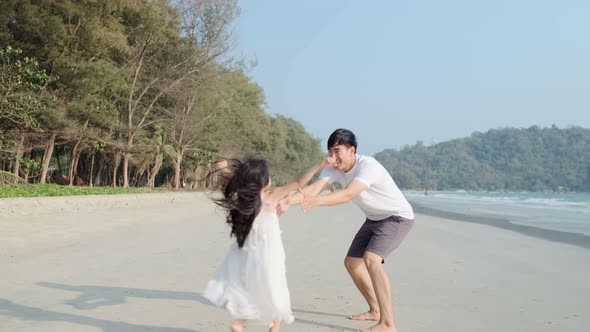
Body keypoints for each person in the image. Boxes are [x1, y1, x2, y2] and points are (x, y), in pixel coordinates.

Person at [282, 128, 414, 332]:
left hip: (396, 217)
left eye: (337, 151)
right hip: (374, 218)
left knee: (372, 259)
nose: (332, 157)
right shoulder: (332, 168)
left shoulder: (368, 166)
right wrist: (285, 201)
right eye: (330, 151)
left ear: (352, 150)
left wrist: (317, 202)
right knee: (352, 263)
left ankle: (388, 324)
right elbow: (313, 190)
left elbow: (347, 195)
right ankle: (375, 310)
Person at [203, 157, 330, 332]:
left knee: (249, 286)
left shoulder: (245, 198)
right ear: (263, 182)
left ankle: (239, 323)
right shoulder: (272, 196)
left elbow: (230, 175)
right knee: (274, 288)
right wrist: (320, 164)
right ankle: (274, 328)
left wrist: (222, 166)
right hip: (270, 254)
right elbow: (300, 182)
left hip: (247, 252)